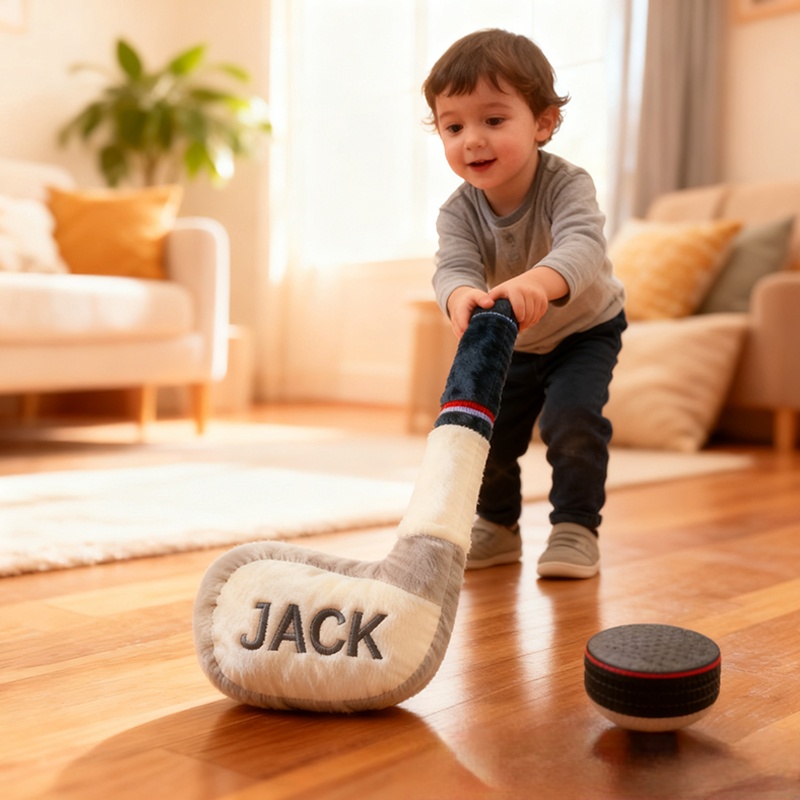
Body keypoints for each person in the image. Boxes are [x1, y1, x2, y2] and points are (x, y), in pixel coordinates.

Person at [422, 28, 626, 579]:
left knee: (573, 420)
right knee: (486, 433)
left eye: (493, 120)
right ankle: (496, 526)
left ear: (542, 123)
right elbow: (453, 266)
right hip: (511, 338)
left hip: (585, 330)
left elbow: (582, 245)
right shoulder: (457, 212)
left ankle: (575, 527)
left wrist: (538, 281)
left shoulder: (567, 185)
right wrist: (459, 294)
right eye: (454, 127)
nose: (472, 140)